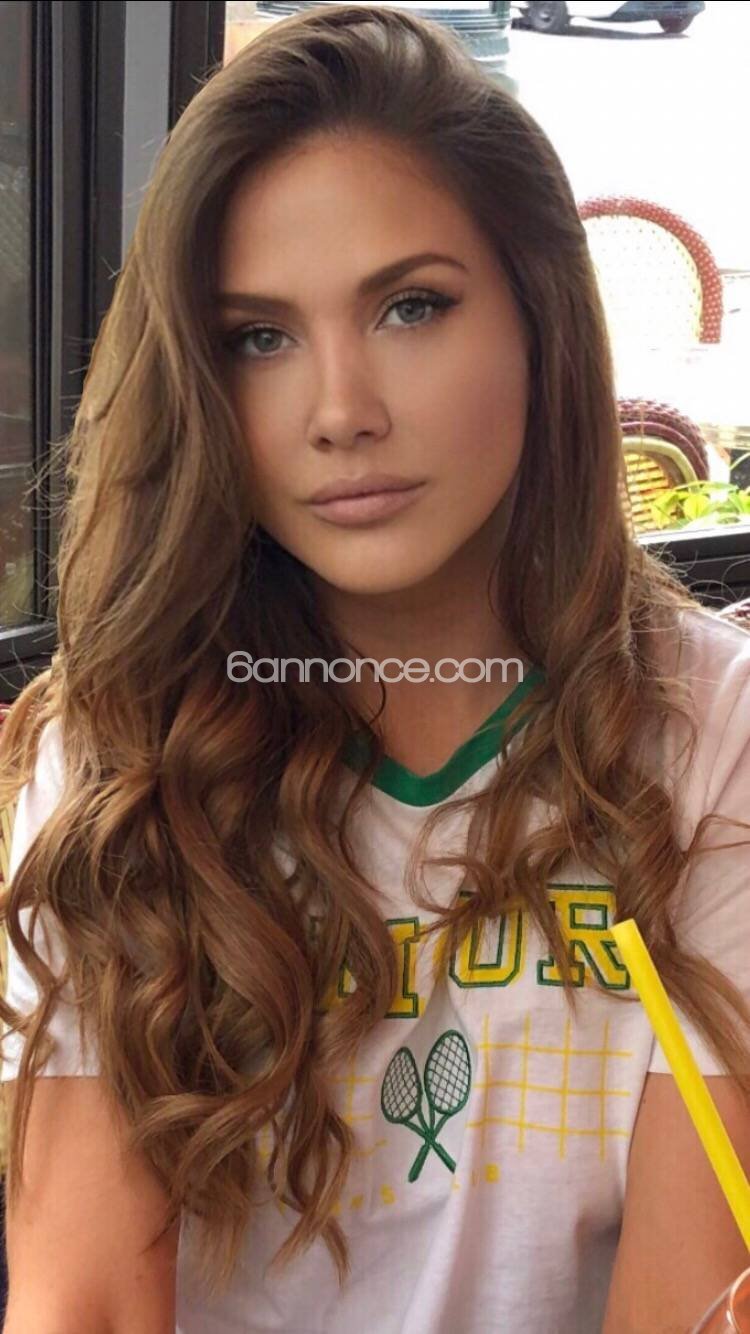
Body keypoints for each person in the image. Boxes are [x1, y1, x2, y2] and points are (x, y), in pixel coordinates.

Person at [0, 4, 749, 1331]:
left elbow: (692, 1305)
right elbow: (86, 1303)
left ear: (538, 317)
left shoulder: (708, 728)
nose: (341, 411)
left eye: (412, 306)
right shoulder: (120, 744)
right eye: (258, 336)